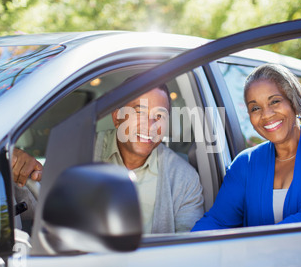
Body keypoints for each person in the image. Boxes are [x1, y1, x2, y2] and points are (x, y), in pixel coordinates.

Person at [13, 85, 204, 234]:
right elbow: (38, 205)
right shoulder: (79, 152)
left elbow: (187, 249)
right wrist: (17, 166)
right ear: (117, 117)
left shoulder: (184, 179)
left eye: (159, 116)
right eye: (139, 112)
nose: (150, 126)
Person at [192, 63, 301, 231]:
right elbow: (217, 222)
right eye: (255, 108)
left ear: (294, 101)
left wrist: (247, 249)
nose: (266, 115)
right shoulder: (245, 164)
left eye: (275, 102)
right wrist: (183, 250)